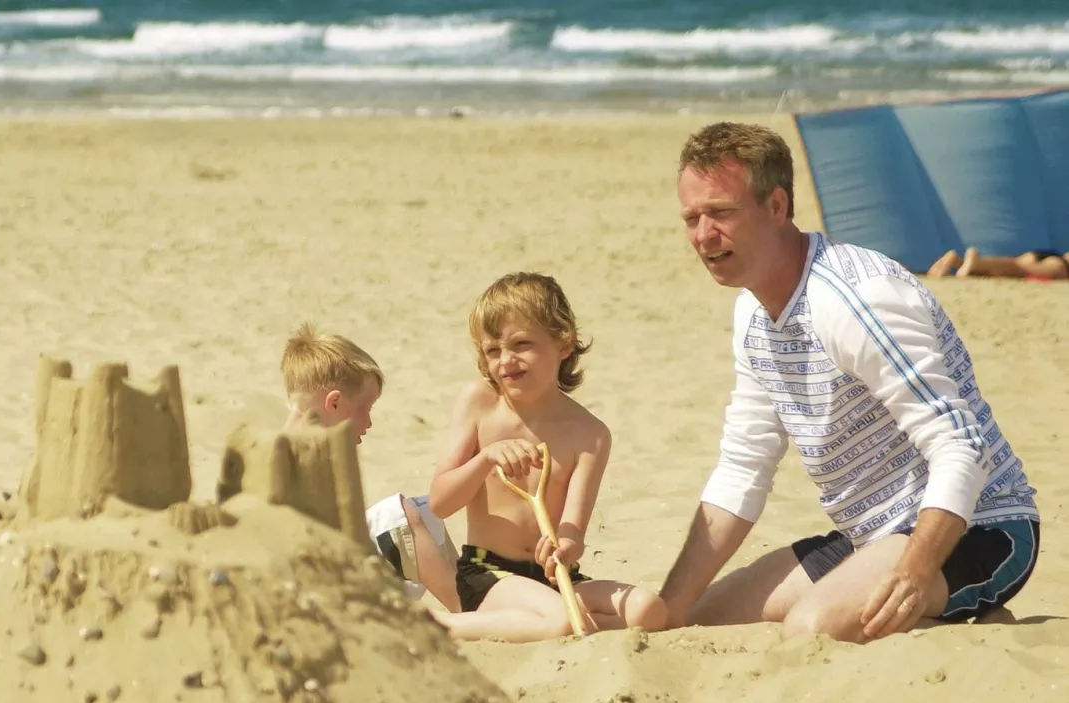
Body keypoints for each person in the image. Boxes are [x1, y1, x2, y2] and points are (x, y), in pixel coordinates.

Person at [658, 122, 1041, 643]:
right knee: (699, 618)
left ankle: (959, 619)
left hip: (980, 528)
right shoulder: (752, 310)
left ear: (775, 206)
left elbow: (962, 447)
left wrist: (914, 572)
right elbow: (744, 465)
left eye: (722, 212)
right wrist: (665, 611)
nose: (703, 235)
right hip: (869, 535)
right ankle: (935, 612)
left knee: (812, 629)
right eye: (691, 218)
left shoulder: (855, 300)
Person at [427, 273, 668, 642]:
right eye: (492, 350)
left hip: (554, 577)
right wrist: (486, 459)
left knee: (648, 610)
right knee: (560, 622)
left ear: (564, 343)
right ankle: (436, 625)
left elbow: (573, 525)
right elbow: (441, 502)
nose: (506, 361)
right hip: (487, 573)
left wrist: (567, 548)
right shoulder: (479, 404)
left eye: (521, 344)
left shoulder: (590, 433)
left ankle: (541, 625)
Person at [281, 323, 461, 611]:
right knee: (401, 515)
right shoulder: (296, 450)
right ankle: (466, 613)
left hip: (337, 565)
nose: (369, 421)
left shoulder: (316, 443)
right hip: (320, 584)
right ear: (335, 403)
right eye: (366, 407)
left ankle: (467, 600)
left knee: (427, 510)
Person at [928, 247, 1067, 281]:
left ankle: (958, 261)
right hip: (1061, 265)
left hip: (1051, 256)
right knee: (1018, 268)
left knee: (1010, 267)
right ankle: (974, 260)